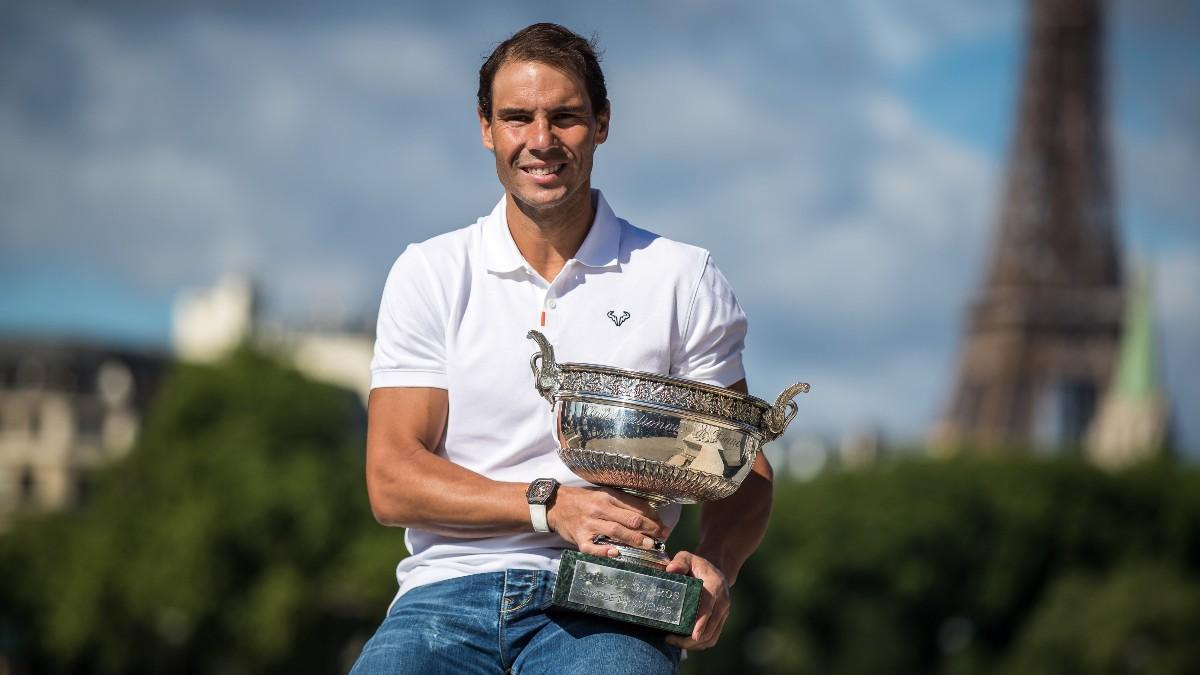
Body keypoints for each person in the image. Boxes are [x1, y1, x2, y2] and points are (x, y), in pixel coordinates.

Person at [350, 22, 773, 675]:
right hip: (443, 599)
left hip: (613, 602)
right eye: (518, 117)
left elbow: (743, 468)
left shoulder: (682, 277)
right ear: (486, 127)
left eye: (566, 117)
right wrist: (550, 503)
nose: (541, 141)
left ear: (602, 123)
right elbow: (391, 476)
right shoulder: (430, 271)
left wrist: (717, 564)